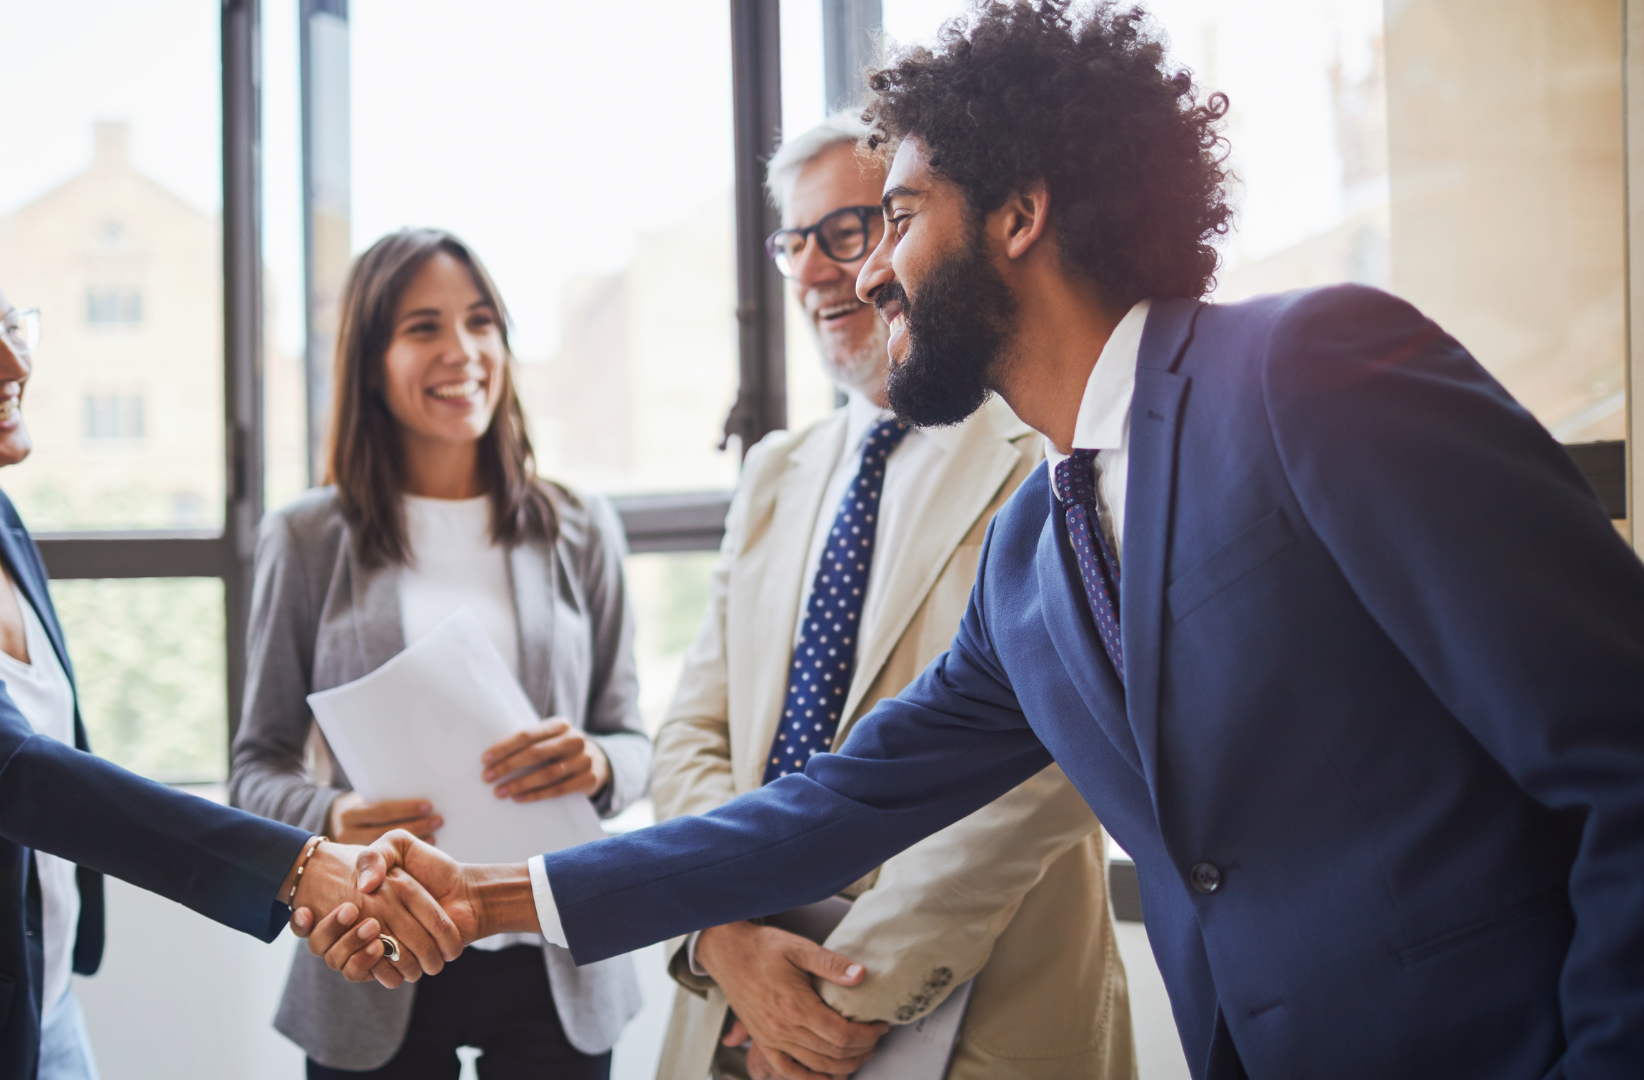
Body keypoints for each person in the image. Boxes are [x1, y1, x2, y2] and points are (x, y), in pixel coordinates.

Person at [308, 4, 1644, 1078]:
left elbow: (1622, 752)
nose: (864, 272)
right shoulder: (1033, 552)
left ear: (1018, 214)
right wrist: (488, 894)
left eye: (894, 216)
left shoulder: (1310, 370)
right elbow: (829, 808)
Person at [0, 229, 460, 1080]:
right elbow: (7, 769)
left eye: (10, 328)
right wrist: (297, 865)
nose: (12, 365)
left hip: (29, 996)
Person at [651, 112, 1132, 1080]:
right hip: (738, 1014)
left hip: (976, 1025)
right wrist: (721, 934)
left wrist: (836, 996)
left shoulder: (1043, 447)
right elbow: (693, 733)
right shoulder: (775, 472)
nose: (817, 269)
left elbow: (1054, 766)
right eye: (795, 242)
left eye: (850, 228)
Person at [229, 228, 650, 1080]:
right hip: (374, 946)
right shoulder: (307, 538)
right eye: (424, 327)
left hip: (551, 947)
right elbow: (253, 770)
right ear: (371, 364)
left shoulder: (580, 526)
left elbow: (636, 741)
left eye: (480, 321)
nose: (461, 350)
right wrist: (333, 817)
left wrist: (601, 764)